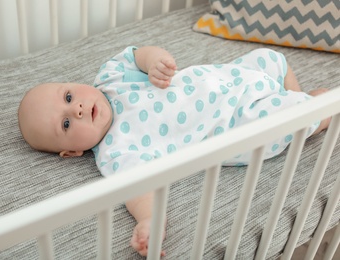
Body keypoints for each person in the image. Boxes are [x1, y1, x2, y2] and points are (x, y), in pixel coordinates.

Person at [18, 46, 330, 257]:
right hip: (234, 123)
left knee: (269, 58)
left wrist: (154, 61)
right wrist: (150, 221)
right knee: (285, 120)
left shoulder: (111, 76)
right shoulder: (116, 153)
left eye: (69, 96)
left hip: (228, 79)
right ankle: (319, 111)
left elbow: (139, 55)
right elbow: (140, 191)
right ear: (72, 152)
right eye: (67, 124)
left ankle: (295, 94)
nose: (80, 109)